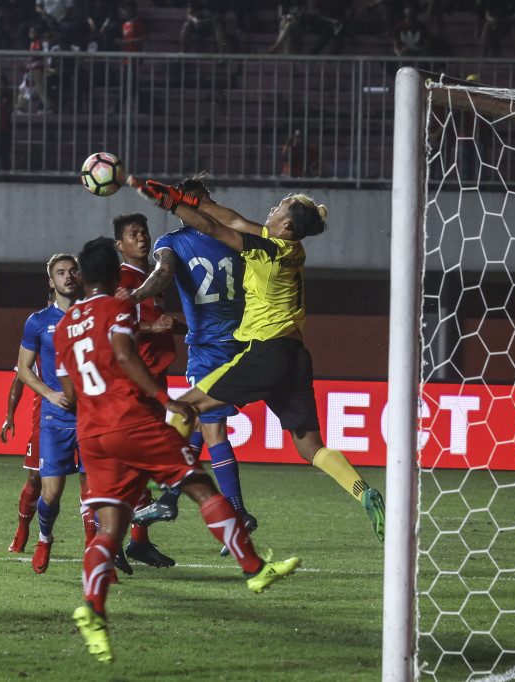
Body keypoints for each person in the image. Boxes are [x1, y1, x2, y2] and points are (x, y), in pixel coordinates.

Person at [55, 236, 300, 664]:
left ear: (82, 278)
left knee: (110, 526)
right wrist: (165, 401)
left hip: (92, 434)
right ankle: (254, 569)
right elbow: (125, 354)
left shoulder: (63, 327)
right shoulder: (119, 307)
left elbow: (71, 391)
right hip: (132, 421)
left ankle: (92, 607)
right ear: (114, 274)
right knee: (201, 486)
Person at [128, 176, 386, 542]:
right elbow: (229, 219)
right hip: (297, 357)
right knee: (310, 446)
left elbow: (214, 226)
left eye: (277, 207)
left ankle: (166, 488)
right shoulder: (291, 247)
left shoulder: (265, 249)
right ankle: (364, 492)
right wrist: (180, 197)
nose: (270, 209)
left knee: (185, 405)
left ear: (285, 224)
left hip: (267, 354)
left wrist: (168, 202)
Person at [119, 178, 258, 551]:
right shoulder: (235, 239)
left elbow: (162, 274)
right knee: (196, 419)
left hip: (209, 348)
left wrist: (131, 297)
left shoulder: (171, 243)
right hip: (243, 343)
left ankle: (237, 512)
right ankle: (168, 498)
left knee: (212, 430)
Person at [112, 212, 185, 566]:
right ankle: (107, 542)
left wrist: (180, 328)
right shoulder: (122, 279)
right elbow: (112, 323)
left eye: (144, 232)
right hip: (135, 379)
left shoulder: (152, 279)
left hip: (156, 376)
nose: (142, 238)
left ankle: (138, 541)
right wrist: (153, 327)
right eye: (133, 234)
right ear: (120, 245)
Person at [16, 253, 90, 573]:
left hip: (93, 418)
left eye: (73, 271)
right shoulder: (37, 321)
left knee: (96, 494)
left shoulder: (96, 316)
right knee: (51, 493)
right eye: (61, 273)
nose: (68, 276)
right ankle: (44, 538)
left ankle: (97, 555)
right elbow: (23, 368)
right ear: (52, 282)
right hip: (55, 419)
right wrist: (50, 394)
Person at [0, 363, 43, 553]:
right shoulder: (39, 336)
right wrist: (10, 416)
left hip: (80, 417)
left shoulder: (85, 335)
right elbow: (20, 376)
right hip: (46, 418)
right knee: (35, 476)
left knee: (90, 479)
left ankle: (96, 545)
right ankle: (22, 529)